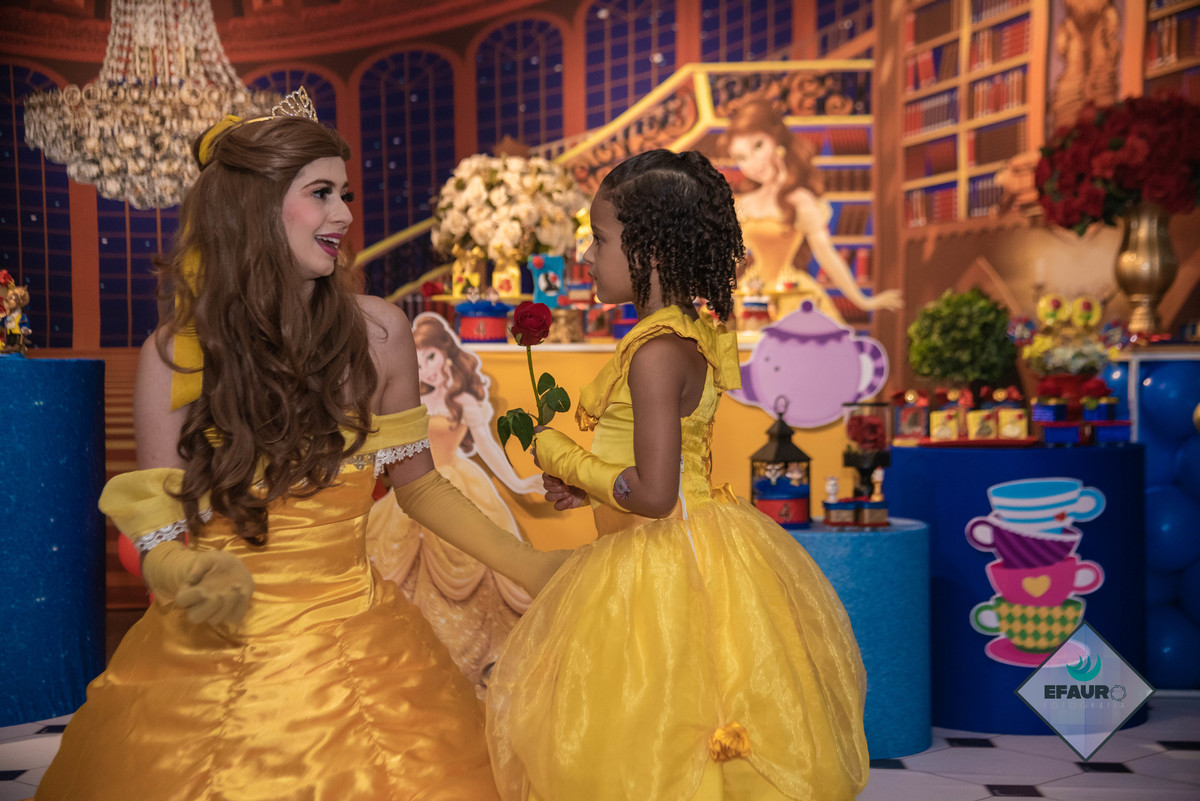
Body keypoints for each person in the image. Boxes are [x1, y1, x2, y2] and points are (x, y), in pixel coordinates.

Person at [34, 92, 563, 801]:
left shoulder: (380, 333)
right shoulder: (174, 354)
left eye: (345, 194)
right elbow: (156, 529)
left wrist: (531, 564)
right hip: (211, 657)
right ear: (253, 208)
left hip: (359, 642)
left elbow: (419, 487)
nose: (344, 214)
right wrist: (179, 571)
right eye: (320, 193)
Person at [485, 149, 870, 801]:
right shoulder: (685, 333)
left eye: (600, 240)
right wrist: (589, 483)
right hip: (695, 542)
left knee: (657, 721)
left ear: (651, 251)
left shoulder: (655, 354)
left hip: (659, 558)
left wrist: (560, 456)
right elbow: (659, 464)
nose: (588, 256)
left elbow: (656, 494)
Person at [367, 312, 542, 690]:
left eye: (431, 356)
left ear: (446, 354)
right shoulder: (404, 397)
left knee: (480, 556)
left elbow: (489, 449)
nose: (426, 367)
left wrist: (519, 482)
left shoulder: (464, 401)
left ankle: (489, 660)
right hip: (410, 492)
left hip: (456, 484)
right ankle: (413, 657)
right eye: (417, 360)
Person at [719, 98, 902, 320]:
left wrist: (863, 300)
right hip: (753, 294)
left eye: (758, 146)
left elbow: (826, 254)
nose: (752, 163)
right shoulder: (744, 203)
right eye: (741, 157)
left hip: (791, 294)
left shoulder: (799, 199)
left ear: (776, 139)